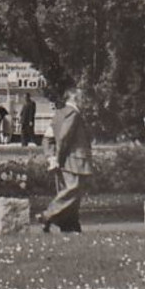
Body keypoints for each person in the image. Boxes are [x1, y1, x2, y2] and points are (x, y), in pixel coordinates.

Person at [37, 87, 92, 233]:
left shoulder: (58, 114)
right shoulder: (73, 114)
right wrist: (58, 160)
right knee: (73, 190)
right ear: (73, 97)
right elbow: (63, 138)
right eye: (82, 97)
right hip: (74, 160)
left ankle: (70, 226)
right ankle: (47, 215)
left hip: (64, 160)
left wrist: (51, 157)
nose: (84, 101)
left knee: (70, 194)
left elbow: (48, 138)